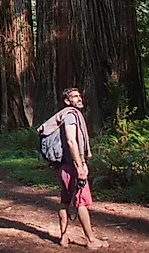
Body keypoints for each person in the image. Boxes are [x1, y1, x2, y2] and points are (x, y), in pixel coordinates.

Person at [56, 87, 108, 249]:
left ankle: (64, 238)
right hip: (72, 166)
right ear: (67, 101)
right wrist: (79, 165)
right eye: (74, 96)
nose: (79, 99)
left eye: (79, 96)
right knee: (81, 202)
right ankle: (91, 240)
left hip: (64, 166)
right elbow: (72, 141)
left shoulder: (65, 115)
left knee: (65, 202)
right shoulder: (71, 116)